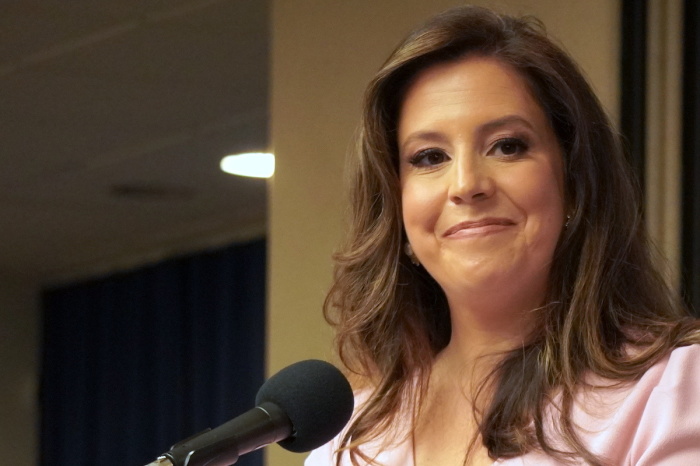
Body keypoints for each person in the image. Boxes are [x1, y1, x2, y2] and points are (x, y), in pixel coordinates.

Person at [306, 5, 700, 466]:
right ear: (396, 208)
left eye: (507, 146)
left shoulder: (670, 388)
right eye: (430, 157)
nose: (466, 184)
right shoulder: (351, 436)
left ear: (573, 182)